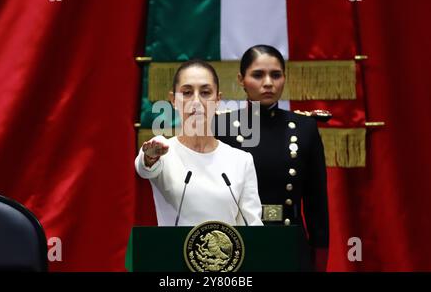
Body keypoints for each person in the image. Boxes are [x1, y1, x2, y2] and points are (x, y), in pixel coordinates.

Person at [215, 45, 329, 270]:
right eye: (258, 75)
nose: (268, 82)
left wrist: (319, 258)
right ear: (241, 79)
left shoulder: (305, 128)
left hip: (288, 241)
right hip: (237, 243)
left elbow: (317, 204)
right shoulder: (222, 127)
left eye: (276, 75)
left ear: (284, 78)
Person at [135, 59, 263, 226]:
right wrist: (149, 158)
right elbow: (144, 169)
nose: (196, 101)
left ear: (217, 100)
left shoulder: (241, 161)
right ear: (173, 100)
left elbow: (252, 226)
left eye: (205, 92)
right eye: (187, 92)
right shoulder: (163, 153)